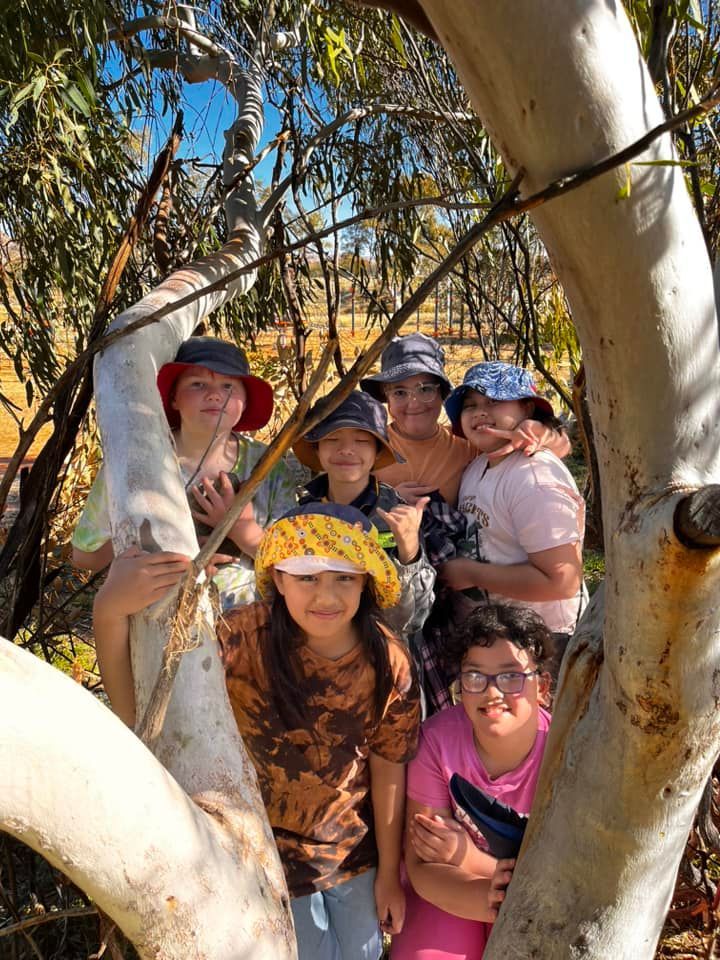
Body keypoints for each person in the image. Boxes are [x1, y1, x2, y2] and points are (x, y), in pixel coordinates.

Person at [92, 502, 421, 960]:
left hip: (353, 859)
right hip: (262, 858)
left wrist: (389, 872)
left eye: (344, 576)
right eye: (307, 576)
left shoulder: (388, 661)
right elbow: (141, 711)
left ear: (366, 581)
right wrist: (108, 613)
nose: (326, 596)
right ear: (279, 578)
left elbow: (389, 766)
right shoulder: (237, 640)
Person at [71, 336, 296, 609]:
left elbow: (293, 565)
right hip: (160, 622)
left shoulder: (267, 466)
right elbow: (85, 556)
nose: (214, 394)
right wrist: (159, 545)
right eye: (197, 384)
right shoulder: (133, 463)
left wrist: (241, 532)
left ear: (245, 401)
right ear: (174, 398)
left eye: (228, 386)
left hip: (250, 629)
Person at [390, 603, 552, 960]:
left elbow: (564, 876)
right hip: (451, 889)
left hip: (539, 900)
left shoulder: (564, 753)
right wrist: (485, 890)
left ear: (542, 686)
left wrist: (474, 861)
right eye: (475, 676)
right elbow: (423, 865)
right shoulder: (436, 742)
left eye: (511, 676)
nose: (492, 693)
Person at [432, 361, 587, 702]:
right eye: (470, 405)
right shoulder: (479, 465)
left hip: (540, 643)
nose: (479, 413)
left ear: (527, 409)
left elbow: (562, 581)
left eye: (493, 402)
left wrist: (471, 573)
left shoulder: (534, 477)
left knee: (538, 742)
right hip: (496, 639)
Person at [293, 390, 445, 645]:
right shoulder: (300, 513)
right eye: (332, 439)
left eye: (362, 441)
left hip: (382, 651)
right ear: (317, 449)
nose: (347, 450)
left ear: (377, 451)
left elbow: (413, 619)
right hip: (314, 649)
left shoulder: (396, 515)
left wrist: (409, 553)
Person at [361, 333, 570, 507]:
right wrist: (386, 501)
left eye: (425, 389)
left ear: (442, 395)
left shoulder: (468, 446)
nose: (413, 403)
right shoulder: (369, 445)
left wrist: (537, 430)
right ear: (385, 397)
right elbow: (337, 502)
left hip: (451, 555)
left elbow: (562, 447)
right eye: (399, 392)